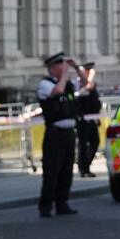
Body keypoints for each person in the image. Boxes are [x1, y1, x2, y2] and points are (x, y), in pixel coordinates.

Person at [36, 52, 85, 217]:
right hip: (55, 133)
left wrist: (77, 68)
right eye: (60, 65)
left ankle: (62, 203)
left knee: (66, 170)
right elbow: (57, 92)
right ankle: (46, 205)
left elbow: (86, 84)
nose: (63, 68)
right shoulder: (45, 84)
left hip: (69, 133)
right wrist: (64, 75)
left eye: (63, 65)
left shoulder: (67, 83)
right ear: (52, 68)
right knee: (52, 170)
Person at [75, 61, 102, 178]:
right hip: (83, 120)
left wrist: (97, 116)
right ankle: (83, 168)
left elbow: (95, 102)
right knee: (83, 144)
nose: (90, 73)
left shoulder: (92, 85)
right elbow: (83, 93)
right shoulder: (78, 84)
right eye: (88, 71)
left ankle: (86, 165)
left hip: (93, 119)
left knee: (95, 142)